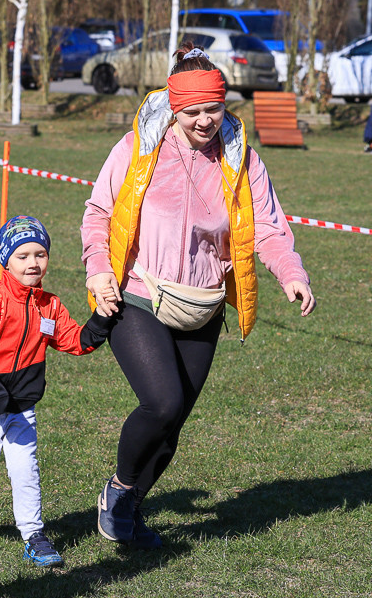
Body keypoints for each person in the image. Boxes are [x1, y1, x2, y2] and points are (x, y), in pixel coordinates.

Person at [80, 44, 316, 548]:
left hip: (202, 300)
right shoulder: (138, 147)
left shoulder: (240, 159)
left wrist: (291, 273)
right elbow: (99, 213)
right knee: (162, 403)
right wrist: (98, 271)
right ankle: (118, 492)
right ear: (174, 106)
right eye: (193, 112)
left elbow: (269, 228)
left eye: (214, 108)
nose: (206, 121)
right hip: (139, 291)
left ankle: (130, 509)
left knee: (175, 422)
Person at [0, 216, 115, 567]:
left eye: (40, 254)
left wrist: (103, 317)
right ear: (5, 260)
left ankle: (34, 535)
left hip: (23, 407)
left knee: (26, 470)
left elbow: (75, 341)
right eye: (22, 256)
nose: (33, 263)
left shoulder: (49, 305)